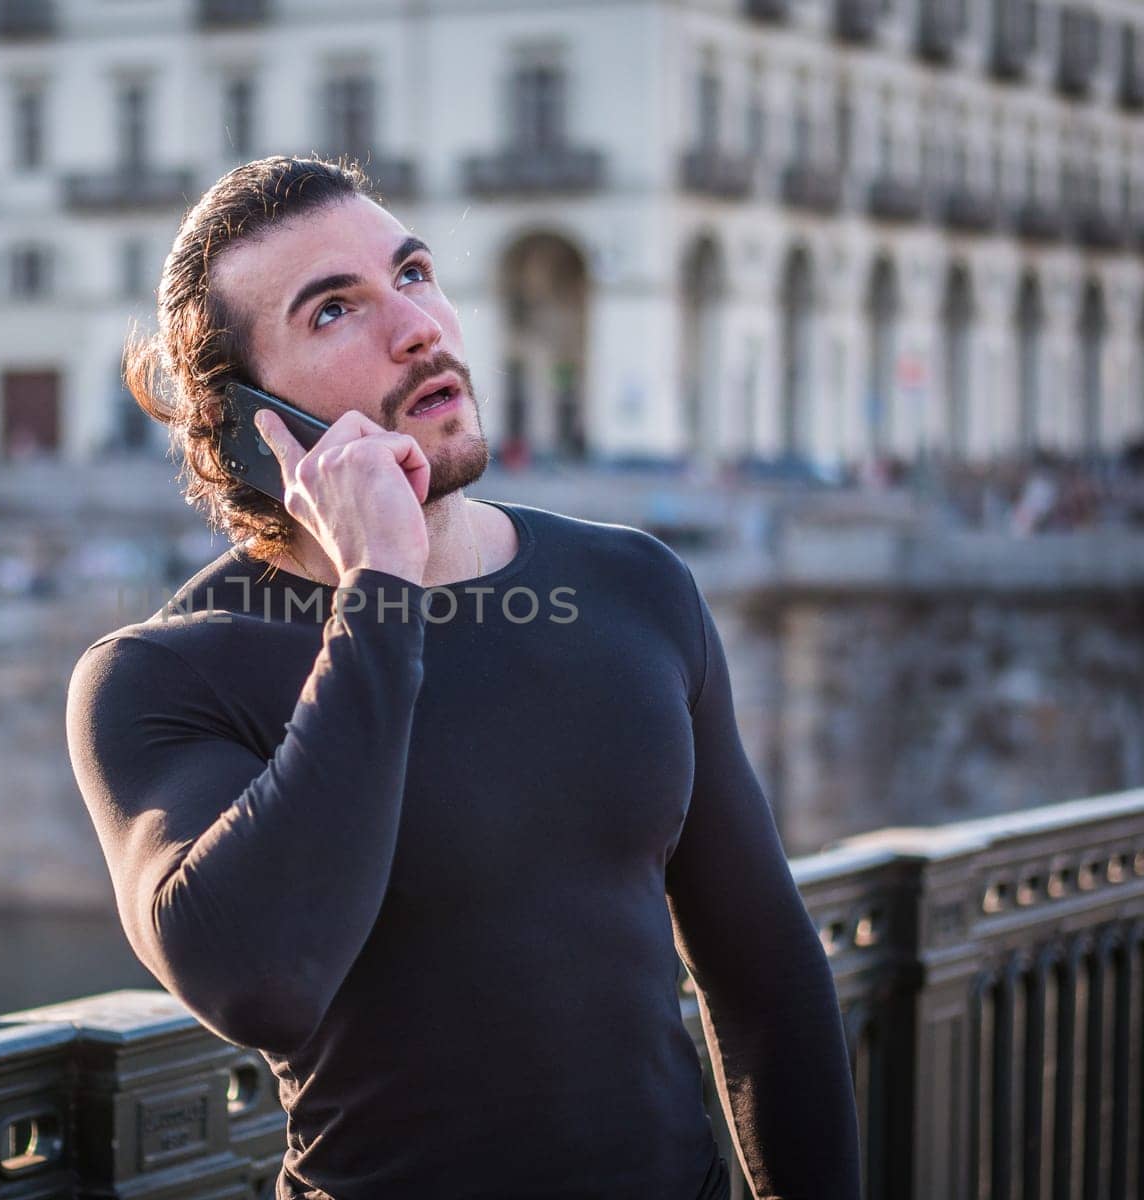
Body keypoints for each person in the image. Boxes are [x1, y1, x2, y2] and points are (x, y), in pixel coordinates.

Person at [66, 156, 861, 1200]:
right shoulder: (160, 676)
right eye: (333, 312)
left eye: (413, 273)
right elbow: (261, 979)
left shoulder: (632, 587)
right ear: (247, 422)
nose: (415, 326)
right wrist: (379, 587)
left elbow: (767, 981)